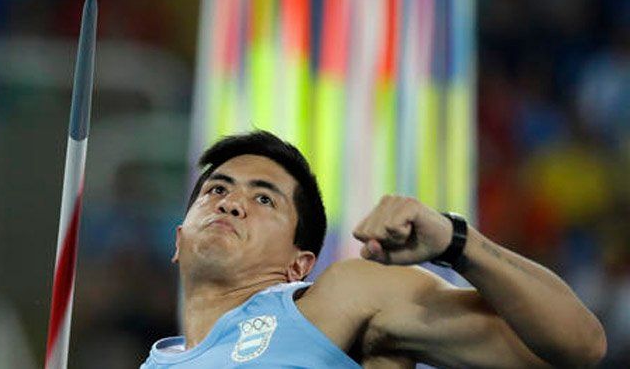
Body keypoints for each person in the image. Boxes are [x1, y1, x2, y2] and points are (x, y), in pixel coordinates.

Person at [140, 131, 606, 368]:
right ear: (178, 240)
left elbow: (580, 347)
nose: (230, 203)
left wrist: (457, 242)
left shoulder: (335, 301)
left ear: (298, 265)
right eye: (216, 189)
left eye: (264, 199)